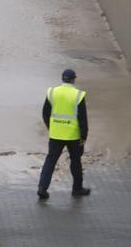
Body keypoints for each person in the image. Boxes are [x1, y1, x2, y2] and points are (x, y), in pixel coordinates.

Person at [37, 68, 91, 199]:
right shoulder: (78, 95)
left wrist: (51, 127)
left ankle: (42, 188)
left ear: (62, 78)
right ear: (74, 79)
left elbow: (45, 113)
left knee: (50, 161)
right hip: (73, 135)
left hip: (56, 135)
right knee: (75, 161)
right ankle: (77, 189)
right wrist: (84, 136)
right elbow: (82, 118)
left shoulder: (52, 92)